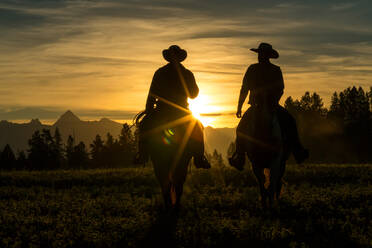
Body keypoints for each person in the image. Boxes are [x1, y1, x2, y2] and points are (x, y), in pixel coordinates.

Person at [229, 42, 309, 168]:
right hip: (266, 106)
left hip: (262, 106)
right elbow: (279, 88)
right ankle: (298, 151)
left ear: (267, 55)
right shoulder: (269, 69)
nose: (260, 56)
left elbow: (246, 88)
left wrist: (240, 107)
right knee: (289, 121)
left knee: (242, 129)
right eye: (259, 53)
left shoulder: (256, 69)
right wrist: (239, 106)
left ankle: (239, 156)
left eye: (262, 54)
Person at [134, 45, 210, 168]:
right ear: (180, 58)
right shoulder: (187, 73)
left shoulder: (160, 72)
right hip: (182, 111)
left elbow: (151, 95)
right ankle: (199, 157)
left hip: (161, 111)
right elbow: (194, 95)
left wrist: (149, 110)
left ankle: (142, 155)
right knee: (198, 127)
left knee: (144, 126)